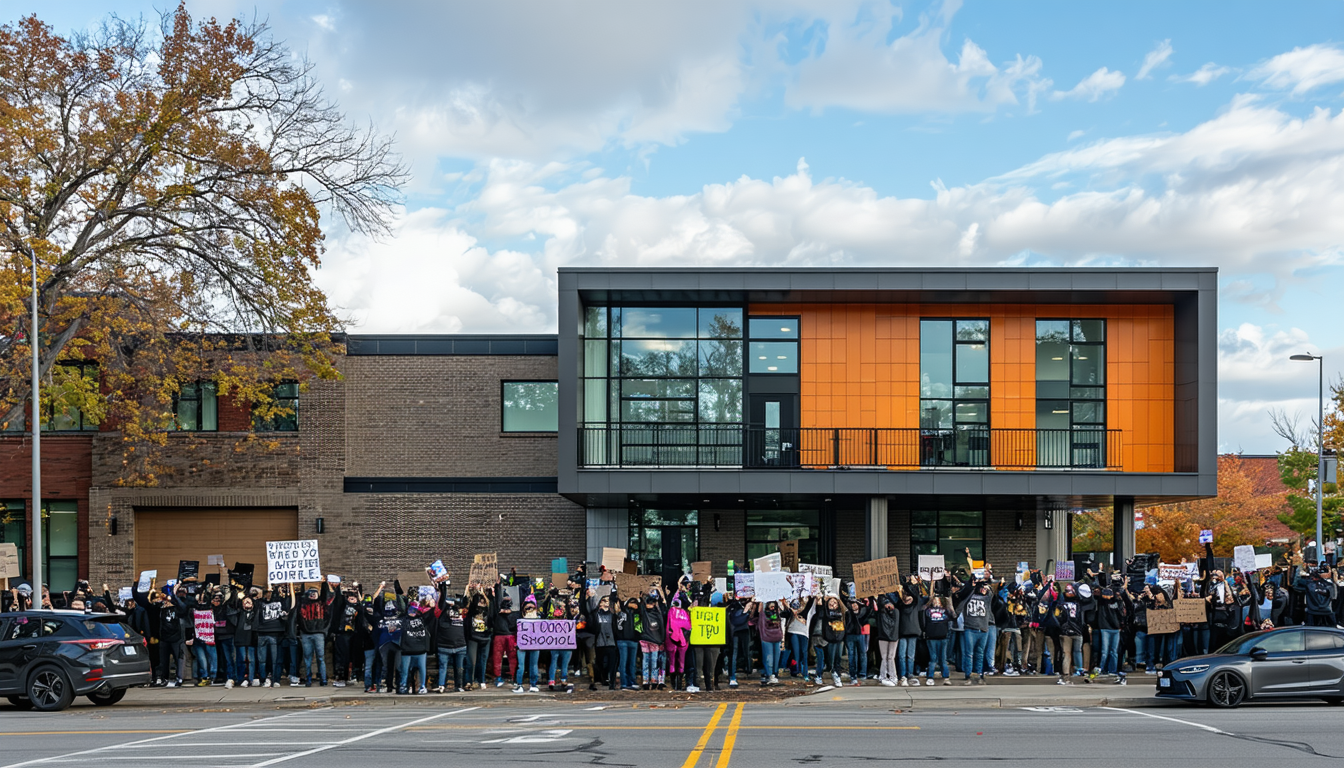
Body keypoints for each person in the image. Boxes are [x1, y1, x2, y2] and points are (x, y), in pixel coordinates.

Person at [294, 581, 335, 687]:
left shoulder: (322, 604)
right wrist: (302, 582)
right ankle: (309, 679)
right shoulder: (303, 604)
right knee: (308, 657)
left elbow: (328, 596)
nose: (312, 595)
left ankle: (323, 679)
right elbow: (299, 595)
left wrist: (324, 583)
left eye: (314, 593)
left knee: (320, 657)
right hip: (307, 634)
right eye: (310, 593)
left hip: (318, 633)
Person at [434, 580, 468, 693]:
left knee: (459, 668)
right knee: (444, 667)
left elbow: (465, 603)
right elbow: (442, 601)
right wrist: (442, 588)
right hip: (445, 646)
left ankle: (459, 686)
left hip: (459, 646)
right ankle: (441, 685)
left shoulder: (461, 611)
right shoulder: (443, 613)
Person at [513, 594, 543, 693]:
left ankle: (533, 684)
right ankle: (519, 685)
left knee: (533, 665)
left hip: (534, 644)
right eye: (528, 607)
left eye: (532, 607)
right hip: (522, 645)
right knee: (521, 665)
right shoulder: (519, 620)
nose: (530, 609)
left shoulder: (539, 620)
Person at [637, 589, 667, 690]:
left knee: (654, 661)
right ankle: (646, 680)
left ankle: (654, 680)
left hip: (655, 640)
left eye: (652, 603)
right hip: (646, 639)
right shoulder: (644, 612)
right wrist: (642, 596)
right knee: (645, 661)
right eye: (648, 603)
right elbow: (641, 604)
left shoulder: (658, 613)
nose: (650, 605)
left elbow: (662, 624)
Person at [751, 599, 785, 686]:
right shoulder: (763, 614)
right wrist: (758, 601)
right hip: (766, 637)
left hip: (777, 637)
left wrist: (784, 602)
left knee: (776, 658)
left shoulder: (778, 612)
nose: (772, 607)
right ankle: (769, 675)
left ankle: (774, 674)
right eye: (771, 605)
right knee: (769, 658)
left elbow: (786, 613)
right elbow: (758, 612)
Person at [921, 594, 953, 685]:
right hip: (931, 637)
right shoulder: (927, 610)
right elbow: (922, 612)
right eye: (934, 600)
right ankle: (930, 677)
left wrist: (948, 602)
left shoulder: (946, 610)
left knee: (943, 659)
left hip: (943, 637)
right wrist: (929, 602)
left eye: (938, 600)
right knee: (933, 658)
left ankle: (946, 677)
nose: (936, 602)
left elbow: (953, 615)